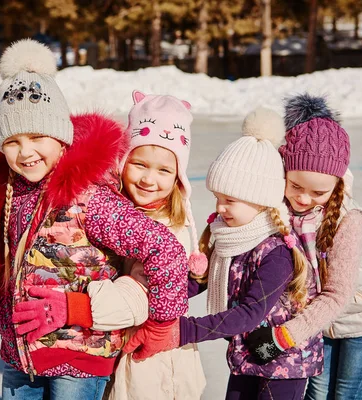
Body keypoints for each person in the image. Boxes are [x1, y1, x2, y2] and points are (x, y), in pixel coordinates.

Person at [0, 39, 190, 400]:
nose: (26, 151)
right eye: (13, 141)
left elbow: (166, 250)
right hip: (21, 352)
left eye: (37, 137)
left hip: (80, 357)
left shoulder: (90, 197)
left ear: (62, 138)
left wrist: (161, 323)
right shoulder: (7, 193)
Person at [124, 108, 324, 400]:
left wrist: (182, 330)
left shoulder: (276, 253)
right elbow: (199, 281)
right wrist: (153, 290)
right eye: (217, 198)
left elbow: (249, 314)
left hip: (285, 364)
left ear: (260, 200)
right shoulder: (228, 238)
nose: (219, 208)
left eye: (229, 200)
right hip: (247, 354)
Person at [246, 94, 362, 400]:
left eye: (318, 192)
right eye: (295, 186)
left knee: (346, 396)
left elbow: (337, 294)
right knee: (315, 394)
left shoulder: (347, 220)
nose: (303, 199)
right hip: (316, 321)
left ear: (337, 184)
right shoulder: (280, 206)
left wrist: (282, 337)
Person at [82, 90, 207, 399]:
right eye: (139, 164)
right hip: (122, 346)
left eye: (164, 170)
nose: (149, 179)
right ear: (122, 161)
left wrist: (75, 306)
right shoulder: (115, 213)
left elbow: (138, 297)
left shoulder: (167, 230)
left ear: (178, 176)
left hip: (151, 359)